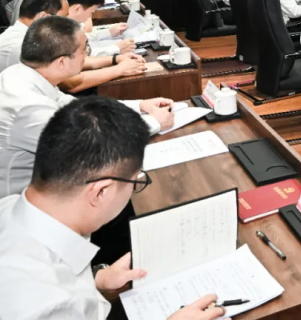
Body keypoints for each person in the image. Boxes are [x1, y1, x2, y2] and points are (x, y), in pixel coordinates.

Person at [0, 96, 222, 320]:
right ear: (101, 192)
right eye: (135, 182)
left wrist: (97, 281)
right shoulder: (46, 306)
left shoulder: (11, 207)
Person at [0, 16, 174, 198]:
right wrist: (154, 123)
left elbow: (77, 107)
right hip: (32, 198)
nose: (87, 56)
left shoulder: (21, 74)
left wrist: (139, 105)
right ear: (62, 62)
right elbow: (94, 148)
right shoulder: (29, 108)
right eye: (84, 50)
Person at [61, 0, 144, 93]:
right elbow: (71, 83)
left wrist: (116, 58)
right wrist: (119, 68)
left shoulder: (65, 26)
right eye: (90, 12)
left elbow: (84, 59)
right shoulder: (57, 33)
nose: (89, 17)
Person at [0, 0, 69, 72]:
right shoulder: (20, 45)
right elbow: (51, 75)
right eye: (63, 19)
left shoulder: (28, 37)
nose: (66, 24)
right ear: (43, 17)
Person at [65, 0, 135, 56]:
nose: (89, 17)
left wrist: (109, 32)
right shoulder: (60, 30)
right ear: (77, 9)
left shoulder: (69, 23)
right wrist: (117, 48)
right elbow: (83, 56)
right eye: (91, 12)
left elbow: (83, 37)